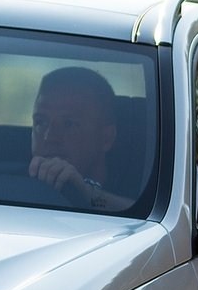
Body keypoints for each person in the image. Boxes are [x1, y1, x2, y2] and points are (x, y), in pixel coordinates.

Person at [29, 66, 127, 211]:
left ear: (106, 138)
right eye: (41, 122)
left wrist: (87, 193)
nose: (49, 137)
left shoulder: (152, 201)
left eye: (69, 124)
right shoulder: (9, 186)